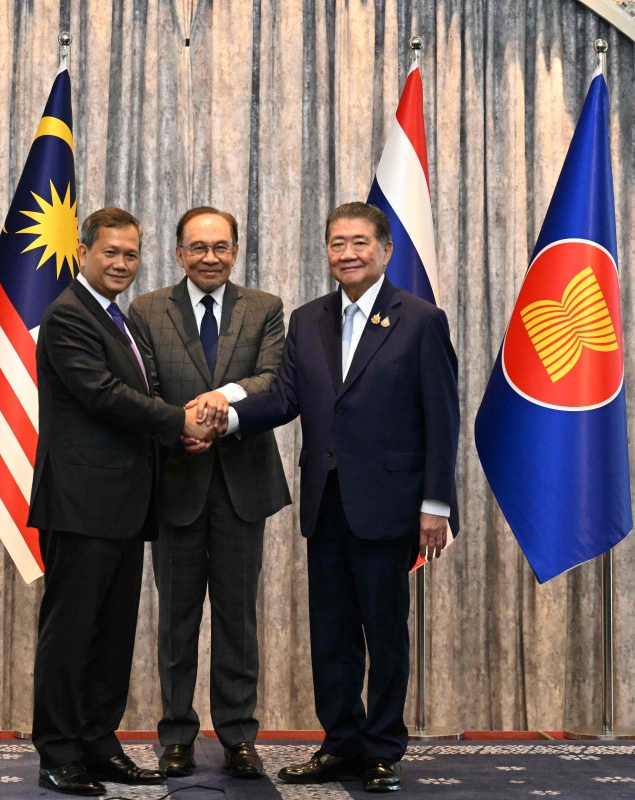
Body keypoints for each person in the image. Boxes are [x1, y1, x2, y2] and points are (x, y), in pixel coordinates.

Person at [197, 201, 459, 793]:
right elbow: (285, 399)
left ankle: (384, 750)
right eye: (337, 243)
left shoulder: (419, 320)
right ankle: (341, 743)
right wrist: (225, 415)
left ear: (385, 250)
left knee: (386, 632)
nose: (348, 253)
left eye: (360, 242)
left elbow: (442, 419)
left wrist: (436, 505)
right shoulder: (308, 318)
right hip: (326, 501)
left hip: (392, 505)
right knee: (332, 633)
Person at [28, 207, 216, 796]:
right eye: (110, 252)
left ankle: (98, 742)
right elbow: (103, 395)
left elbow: (144, 391)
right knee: (71, 631)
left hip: (126, 503)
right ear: (84, 251)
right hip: (80, 502)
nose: (120, 264)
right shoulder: (67, 316)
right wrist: (176, 421)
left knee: (110, 634)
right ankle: (59, 752)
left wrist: (177, 427)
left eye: (131, 254)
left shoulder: (122, 320)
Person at [127, 207, 291, 780]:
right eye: (198, 247)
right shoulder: (146, 310)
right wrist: (181, 427)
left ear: (236, 250)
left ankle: (239, 737)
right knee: (175, 620)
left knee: (237, 620)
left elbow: (274, 379)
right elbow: (139, 385)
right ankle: (175, 735)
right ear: (178, 253)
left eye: (221, 247)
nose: (210, 257)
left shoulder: (265, 308)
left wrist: (216, 402)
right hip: (175, 481)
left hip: (243, 486)